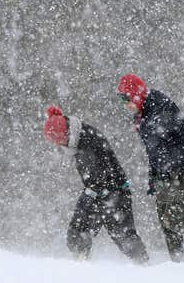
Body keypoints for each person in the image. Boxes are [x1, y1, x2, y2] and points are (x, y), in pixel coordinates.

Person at [116, 74, 184, 262]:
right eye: (122, 100)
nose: (125, 104)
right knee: (165, 222)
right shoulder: (141, 117)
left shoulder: (161, 106)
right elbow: (153, 152)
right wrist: (153, 177)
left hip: (183, 173)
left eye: (127, 98)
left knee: (172, 219)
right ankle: (177, 264)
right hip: (164, 176)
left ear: (137, 95)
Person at [43, 105, 149, 264]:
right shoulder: (78, 139)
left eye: (59, 140)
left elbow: (100, 176)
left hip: (114, 192)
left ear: (65, 133)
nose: (60, 145)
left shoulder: (87, 141)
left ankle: (145, 268)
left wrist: (94, 194)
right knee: (79, 231)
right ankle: (82, 262)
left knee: (122, 235)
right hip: (99, 191)